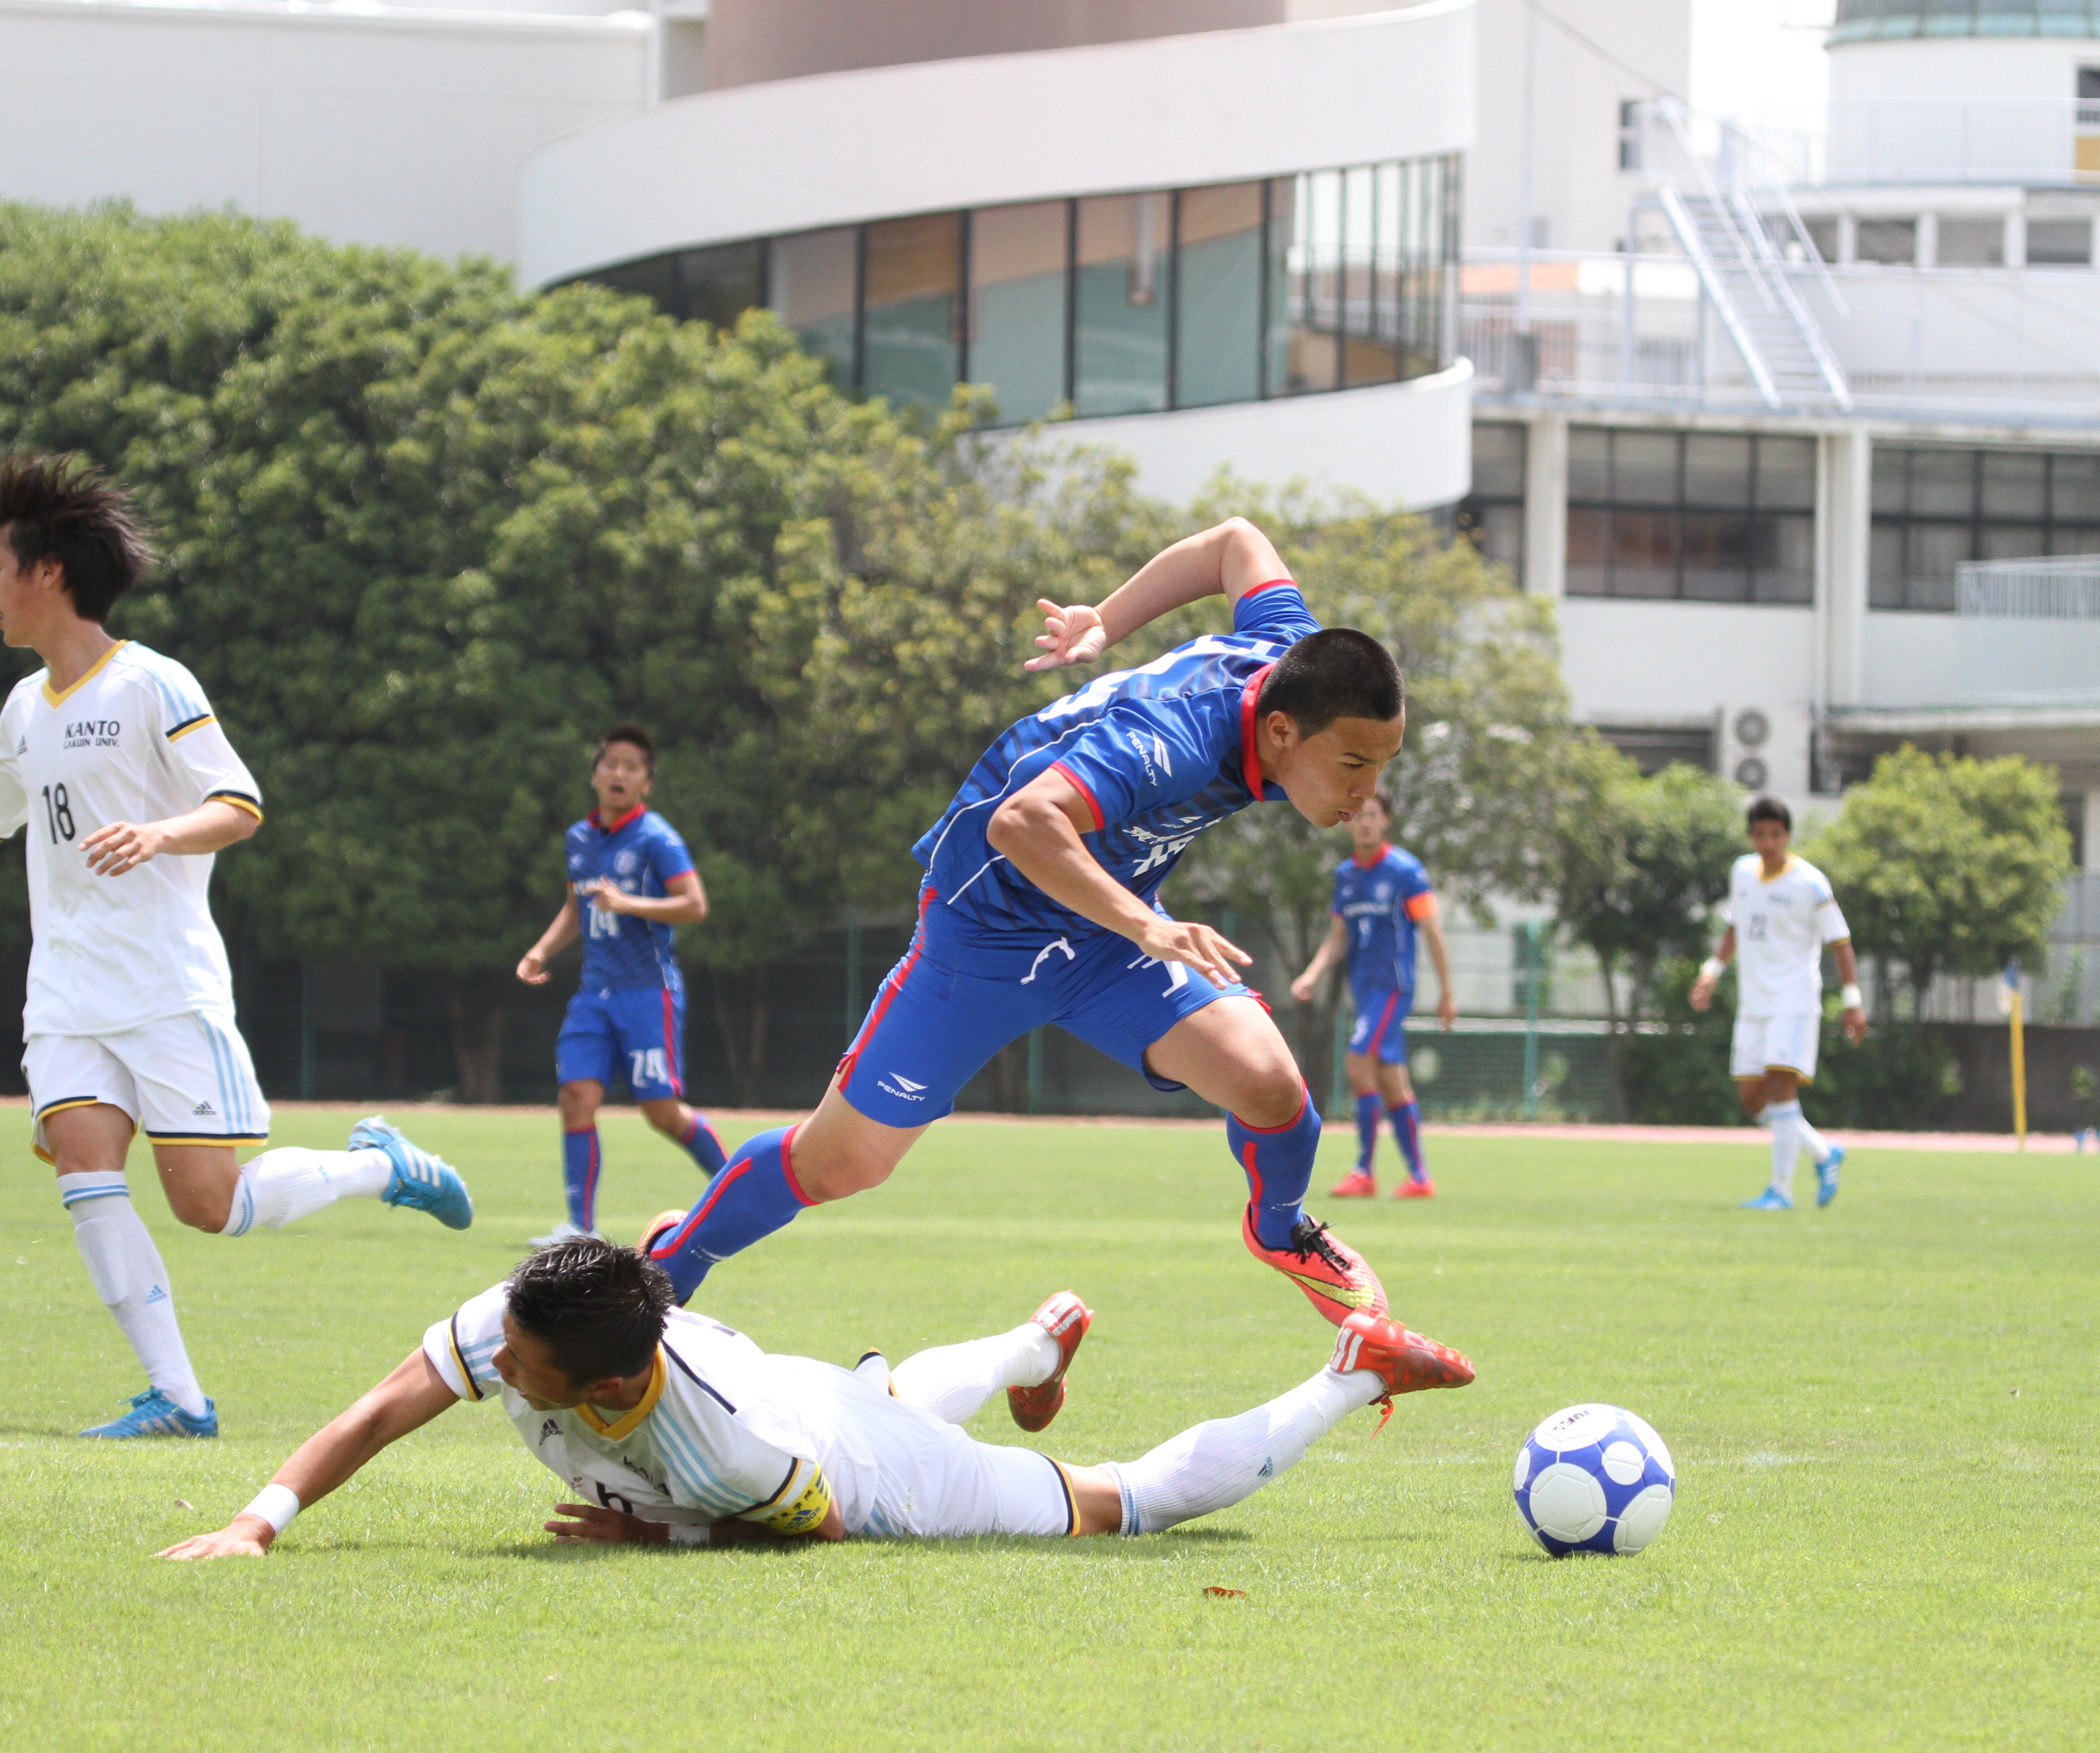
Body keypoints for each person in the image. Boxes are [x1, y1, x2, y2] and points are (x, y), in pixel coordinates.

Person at [0, 455, 472, 1440]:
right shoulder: (24, 708)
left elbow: (238, 803)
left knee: (211, 1205)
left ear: (48, 574)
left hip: (166, 988)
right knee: (86, 1170)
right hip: (67, 993)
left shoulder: (155, 682)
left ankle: (382, 1166)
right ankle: (181, 1399)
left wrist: (162, 834)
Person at [642, 517, 1408, 1328]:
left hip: (1106, 933)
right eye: (1354, 766)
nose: (1365, 792)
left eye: (1382, 767)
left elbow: (1235, 542)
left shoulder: (1290, 658)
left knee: (1272, 1087)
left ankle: (1280, 1232)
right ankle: (665, 1269)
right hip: (986, 940)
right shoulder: (1171, 741)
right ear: (1282, 732)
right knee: (839, 1165)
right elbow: (1022, 822)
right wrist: (1147, 928)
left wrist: (1105, 621)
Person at [153, 1236, 1475, 1559]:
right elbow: (386, 1404)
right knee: (883, 1385)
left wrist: (661, 1531)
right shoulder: (532, 1317)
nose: (491, 1366)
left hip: (864, 1468)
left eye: (519, 1366)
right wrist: (260, 1523)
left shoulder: (716, 1452)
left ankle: (1350, 1372)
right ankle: (1027, 1345)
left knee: (1127, 1501)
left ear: (610, 1384)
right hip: (803, 1386)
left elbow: (818, 1523)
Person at [515, 725, 727, 1241]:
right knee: (576, 1097)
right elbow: (575, 909)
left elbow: (695, 905)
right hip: (595, 994)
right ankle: (580, 1229)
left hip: (647, 993)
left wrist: (632, 903)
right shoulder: (580, 838)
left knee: (660, 1112)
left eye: (632, 767)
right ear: (594, 774)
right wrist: (540, 951)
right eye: (611, 763)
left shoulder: (657, 838)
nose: (619, 774)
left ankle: (736, 1191)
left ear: (647, 783)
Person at [1687, 795, 1867, 1210]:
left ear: (1787, 836)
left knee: (1781, 1085)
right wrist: (1711, 972)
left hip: (1794, 999)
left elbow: (1840, 943)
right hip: (1753, 1003)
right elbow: (1736, 926)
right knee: (1752, 1098)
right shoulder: (1742, 873)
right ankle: (1824, 1153)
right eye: (1761, 834)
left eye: (1776, 834)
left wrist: (1853, 1001)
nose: (1768, 842)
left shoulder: (1811, 883)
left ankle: (1780, 1192)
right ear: (1751, 836)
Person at [1288, 791, 1455, 1199]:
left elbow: (1432, 932)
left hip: (1393, 987)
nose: (1364, 822)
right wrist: (1311, 975)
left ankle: (1364, 1171)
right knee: (1391, 1082)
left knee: (1358, 1063)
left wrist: (1447, 991)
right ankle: (1420, 1178)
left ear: (1386, 822)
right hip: (1365, 991)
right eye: (1358, 815)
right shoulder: (1346, 875)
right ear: (1346, 822)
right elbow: (1338, 937)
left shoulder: (1405, 871)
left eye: (1373, 815)